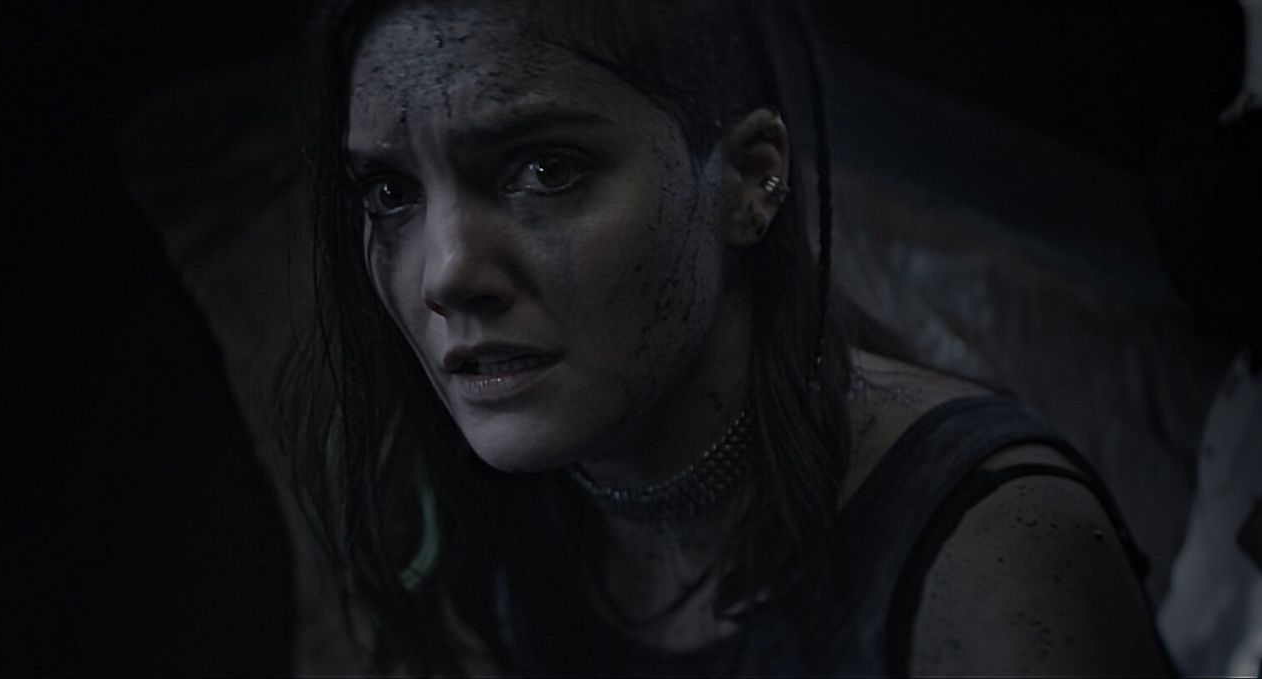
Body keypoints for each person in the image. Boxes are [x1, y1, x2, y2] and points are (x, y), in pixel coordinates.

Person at [278, 0, 1169, 674]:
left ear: (749, 180)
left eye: (545, 169)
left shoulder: (991, 547)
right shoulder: (480, 506)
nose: (444, 275)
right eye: (391, 194)